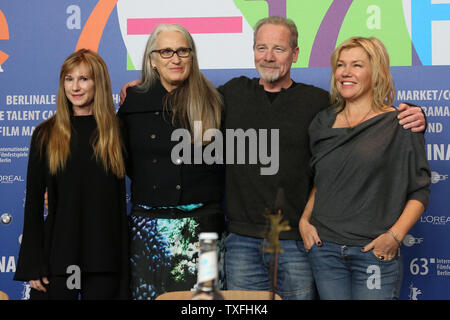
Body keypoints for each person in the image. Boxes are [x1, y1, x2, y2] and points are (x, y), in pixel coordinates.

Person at [120, 17, 426, 300]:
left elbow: (361, 114)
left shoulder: (319, 104)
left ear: (294, 53)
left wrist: (413, 114)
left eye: (278, 48)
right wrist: (144, 90)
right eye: (262, 47)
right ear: (253, 51)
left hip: (297, 242)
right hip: (241, 242)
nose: (268, 56)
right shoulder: (228, 95)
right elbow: (185, 94)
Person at [299, 36, 431, 300]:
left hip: (373, 252)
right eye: (341, 65)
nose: (345, 73)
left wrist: (394, 236)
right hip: (325, 251)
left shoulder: (400, 123)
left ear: (376, 71)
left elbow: (420, 191)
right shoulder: (322, 122)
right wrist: (304, 221)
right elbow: (322, 181)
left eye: (357, 65)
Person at [118, 23, 225, 300]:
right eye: (166, 51)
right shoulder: (133, 101)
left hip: (206, 228)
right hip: (148, 226)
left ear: (192, 56)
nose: (175, 59)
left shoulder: (214, 100)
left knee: (204, 303)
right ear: (152, 60)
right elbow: (119, 160)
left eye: (182, 51)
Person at [14, 49, 129, 300]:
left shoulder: (117, 131)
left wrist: (142, 92)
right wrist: (33, 263)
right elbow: (33, 202)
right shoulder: (46, 133)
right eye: (69, 79)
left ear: (98, 83)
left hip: (105, 259)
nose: (75, 87)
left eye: (84, 79)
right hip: (57, 258)